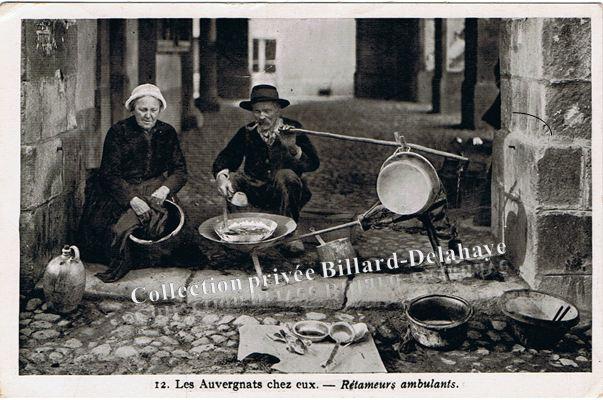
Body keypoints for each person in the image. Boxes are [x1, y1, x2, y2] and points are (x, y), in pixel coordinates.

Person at [78, 83, 188, 282]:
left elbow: (180, 170)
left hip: (155, 188)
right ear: (133, 109)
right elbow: (109, 174)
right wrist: (132, 199)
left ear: (160, 110)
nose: (148, 115)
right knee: (113, 231)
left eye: (153, 110)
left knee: (173, 232)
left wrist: (165, 188)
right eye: (142, 109)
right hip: (122, 189)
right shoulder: (118, 132)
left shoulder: (168, 132)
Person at [212, 84, 320, 253]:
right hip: (255, 189)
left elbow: (313, 163)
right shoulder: (247, 132)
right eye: (257, 111)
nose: (262, 116)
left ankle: (290, 234)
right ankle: (237, 234)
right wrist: (221, 177)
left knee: (286, 175)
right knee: (232, 179)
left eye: (267, 111)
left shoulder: (293, 129)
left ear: (278, 110)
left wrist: (293, 149)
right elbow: (226, 158)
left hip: (285, 190)